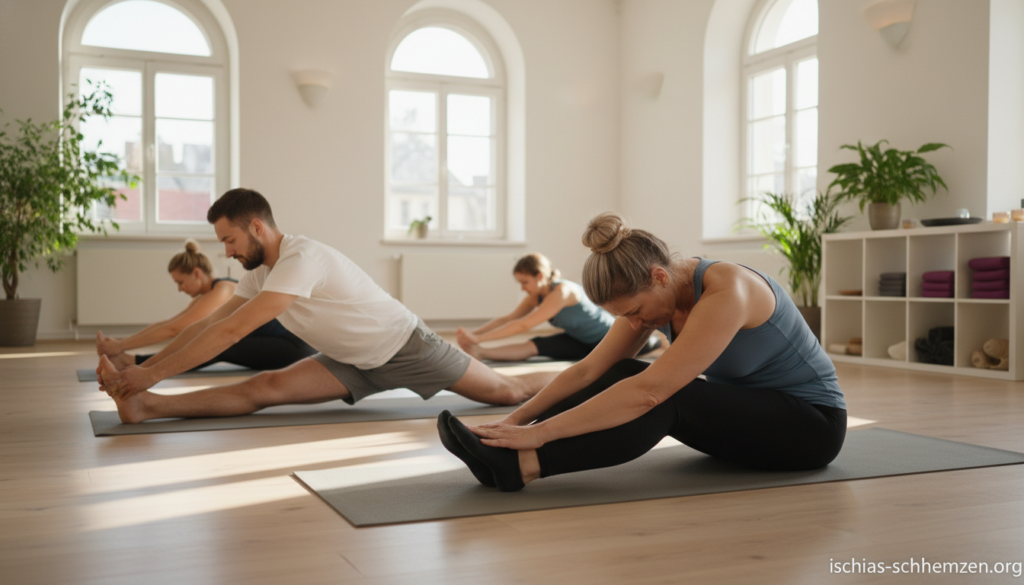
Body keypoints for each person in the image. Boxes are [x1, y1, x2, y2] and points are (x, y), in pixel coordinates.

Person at [439, 212, 847, 491]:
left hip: (811, 429)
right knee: (620, 372)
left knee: (665, 394)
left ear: (658, 276)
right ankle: (500, 453)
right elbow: (586, 372)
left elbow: (650, 391)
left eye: (634, 312)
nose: (635, 324)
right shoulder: (658, 294)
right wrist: (512, 423)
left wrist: (538, 434)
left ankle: (523, 465)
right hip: (755, 418)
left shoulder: (729, 291)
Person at [96, 188, 557, 424]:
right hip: (350, 361)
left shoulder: (301, 258)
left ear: (256, 227)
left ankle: (582, 377)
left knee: (508, 393)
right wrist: (140, 376)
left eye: (229, 240)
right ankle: (148, 408)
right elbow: (208, 325)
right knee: (263, 388)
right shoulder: (259, 272)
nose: (227, 253)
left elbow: (230, 335)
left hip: (407, 346)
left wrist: (148, 370)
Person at [95, 240, 316, 372]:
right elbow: (170, 323)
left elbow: (175, 330)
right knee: (211, 338)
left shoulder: (222, 290)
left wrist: (124, 351)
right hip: (278, 343)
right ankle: (133, 361)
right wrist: (122, 344)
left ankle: (133, 363)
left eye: (181, 282)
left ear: (197, 273)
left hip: (292, 346)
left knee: (215, 343)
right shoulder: (207, 295)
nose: (180, 289)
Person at [455, 253, 662, 362]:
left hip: (609, 338)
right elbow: (509, 319)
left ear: (540, 276)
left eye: (524, 282)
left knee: (648, 345)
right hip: (580, 341)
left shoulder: (562, 292)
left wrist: (479, 338)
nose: (522, 287)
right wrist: (473, 333)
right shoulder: (535, 295)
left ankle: (657, 343)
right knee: (534, 345)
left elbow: (523, 324)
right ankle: (481, 353)